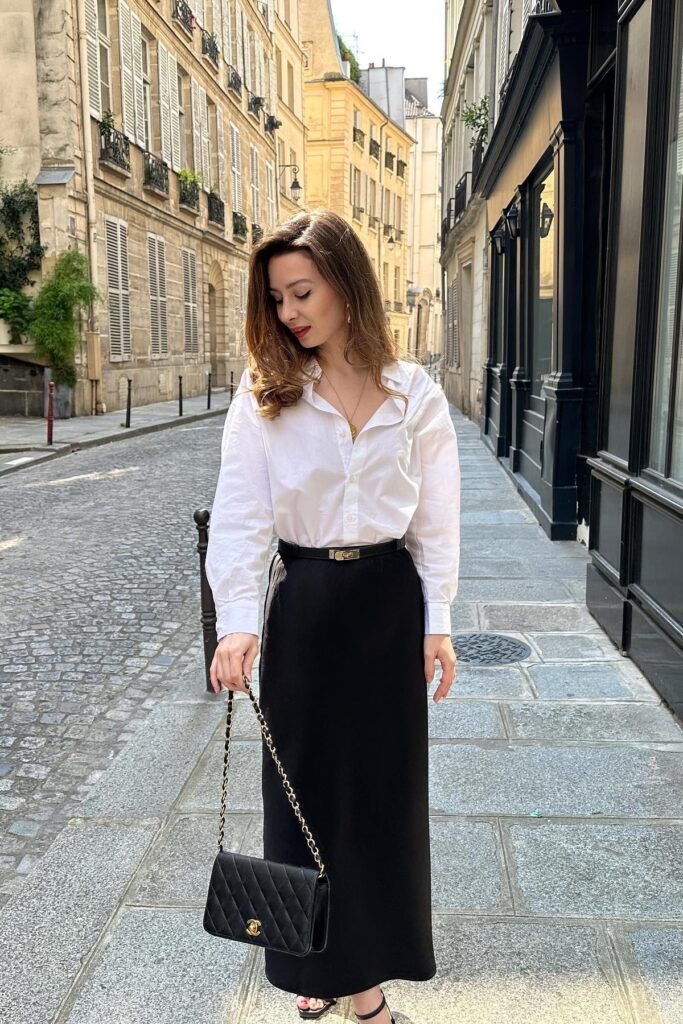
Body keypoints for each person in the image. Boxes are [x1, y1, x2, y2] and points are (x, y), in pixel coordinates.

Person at [205, 209, 460, 1024]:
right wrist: (238, 621)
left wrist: (438, 620)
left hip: (387, 607)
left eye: (302, 291)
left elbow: (436, 520)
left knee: (380, 801)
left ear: (348, 285)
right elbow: (241, 515)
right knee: (304, 799)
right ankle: (321, 964)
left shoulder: (413, 394)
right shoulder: (265, 397)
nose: (288, 313)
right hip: (308, 608)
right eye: (276, 299)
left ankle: (367, 978)